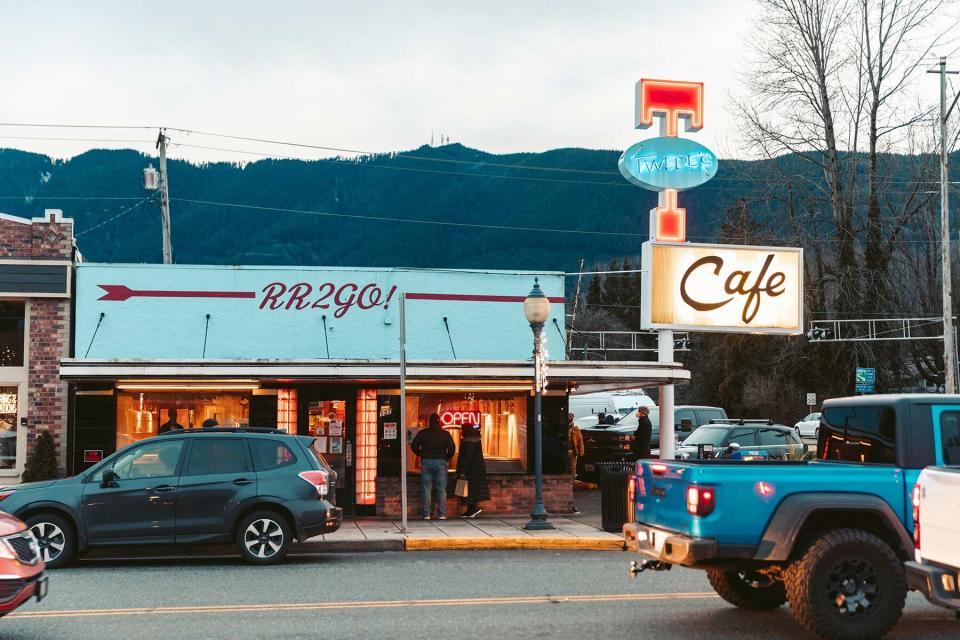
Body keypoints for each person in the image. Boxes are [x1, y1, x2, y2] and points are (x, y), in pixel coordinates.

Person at [410, 413, 456, 520]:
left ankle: (426, 514)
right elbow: (452, 448)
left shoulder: (423, 433)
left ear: (429, 421)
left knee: (426, 488)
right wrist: (446, 457)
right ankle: (442, 514)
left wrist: (421, 454)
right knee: (441, 489)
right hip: (441, 461)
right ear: (439, 421)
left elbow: (414, 446)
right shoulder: (445, 434)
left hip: (426, 461)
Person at [455, 423, 489, 518]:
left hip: (469, 470)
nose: (461, 432)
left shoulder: (468, 442)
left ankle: (472, 509)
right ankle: (470, 510)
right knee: (472, 490)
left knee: (465, 491)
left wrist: (462, 470)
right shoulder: (476, 440)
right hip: (477, 470)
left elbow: (467, 458)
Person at [566, 412, 584, 514]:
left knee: (573, 467)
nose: (569, 419)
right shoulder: (564, 427)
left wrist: (581, 452)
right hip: (566, 450)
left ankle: (572, 482)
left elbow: (580, 440)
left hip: (572, 451)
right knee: (568, 467)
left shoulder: (575, 428)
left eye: (570, 417)